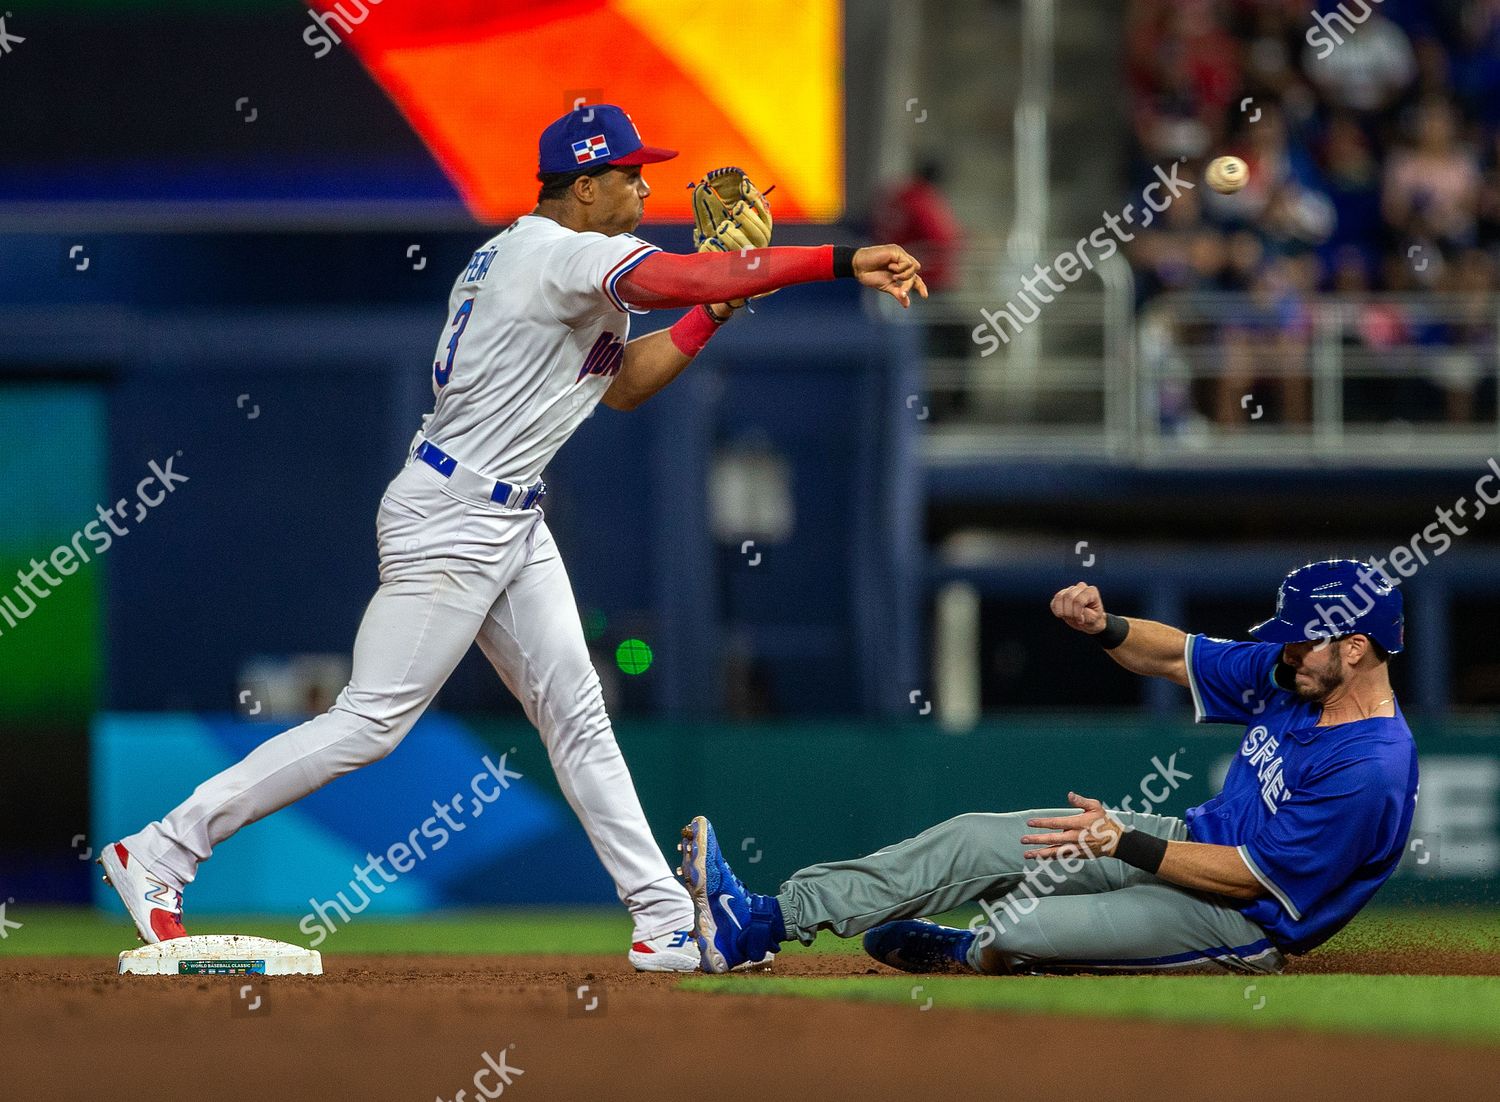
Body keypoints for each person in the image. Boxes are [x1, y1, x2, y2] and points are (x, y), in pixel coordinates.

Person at [99, 103, 926, 972]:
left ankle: (663, 920)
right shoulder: (560, 253)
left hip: (507, 514)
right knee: (371, 722)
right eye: (630, 174)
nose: (646, 185)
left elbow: (629, 383)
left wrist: (724, 300)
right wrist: (833, 257)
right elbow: (677, 282)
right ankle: (164, 847)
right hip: (452, 515)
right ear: (582, 186)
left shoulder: (545, 259)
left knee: (577, 712)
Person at [677, 559, 1418, 975]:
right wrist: (1106, 627)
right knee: (975, 840)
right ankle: (761, 922)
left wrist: (1120, 840)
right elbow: (1175, 653)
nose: (1286, 651)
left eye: (1304, 640)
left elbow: (1252, 879)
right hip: (1184, 838)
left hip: (1240, 917)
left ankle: (972, 952)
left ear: (1355, 647)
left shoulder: (1373, 768)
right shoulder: (1298, 679)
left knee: (1022, 928)